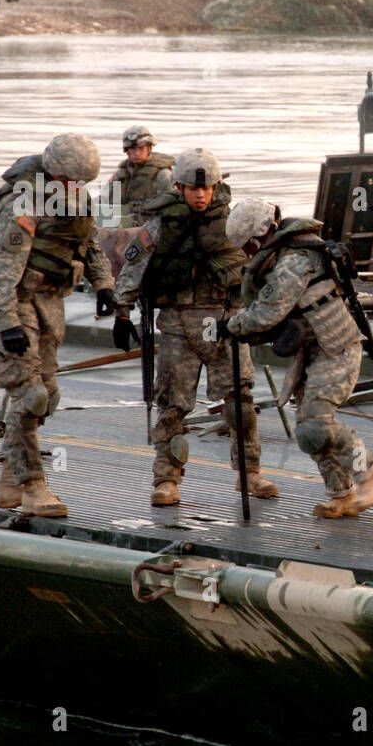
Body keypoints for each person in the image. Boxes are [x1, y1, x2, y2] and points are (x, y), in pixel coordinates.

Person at [111, 147, 278, 507]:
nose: (200, 195)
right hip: (177, 327)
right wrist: (121, 312)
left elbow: (261, 265)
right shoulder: (160, 225)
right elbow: (133, 269)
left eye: (206, 188)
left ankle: (250, 473)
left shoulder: (234, 221)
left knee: (241, 405)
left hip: (224, 323)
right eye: (192, 188)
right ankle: (167, 479)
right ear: (179, 186)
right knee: (172, 406)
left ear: (217, 186)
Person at [0, 133, 115, 517]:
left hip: (49, 302)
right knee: (29, 394)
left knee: (47, 395)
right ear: (53, 172)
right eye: (70, 181)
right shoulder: (22, 202)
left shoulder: (76, 199)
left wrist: (104, 285)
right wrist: (5, 322)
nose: (75, 188)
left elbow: (89, 245)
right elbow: (0, 268)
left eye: (81, 182)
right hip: (13, 301)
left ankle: (9, 479)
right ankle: (33, 486)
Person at [222, 199, 373, 518]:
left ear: (261, 236)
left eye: (249, 246)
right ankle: (341, 494)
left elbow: (267, 313)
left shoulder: (292, 263)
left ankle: (369, 473)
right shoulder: (285, 256)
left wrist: (231, 325)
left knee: (315, 423)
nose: (248, 253)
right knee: (308, 430)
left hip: (336, 347)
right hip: (312, 350)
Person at [106, 125, 175, 228]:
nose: (137, 153)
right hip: (123, 226)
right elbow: (108, 202)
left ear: (149, 148)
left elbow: (171, 208)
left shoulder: (162, 174)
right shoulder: (120, 175)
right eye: (133, 149)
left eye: (141, 148)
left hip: (153, 227)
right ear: (127, 150)